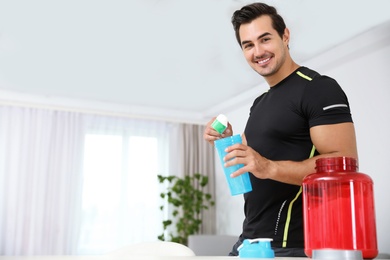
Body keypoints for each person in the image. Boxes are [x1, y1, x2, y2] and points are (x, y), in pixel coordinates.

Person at [203, 2, 358, 257]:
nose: (258, 51)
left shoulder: (318, 88)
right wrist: (227, 140)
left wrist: (269, 167)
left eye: (265, 39)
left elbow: (345, 164)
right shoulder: (260, 103)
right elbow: (254, 160)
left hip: (290, 247)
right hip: (249, 242)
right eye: (248, 45)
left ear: (285, 36)